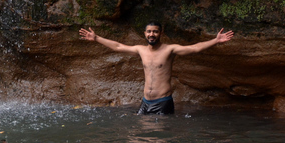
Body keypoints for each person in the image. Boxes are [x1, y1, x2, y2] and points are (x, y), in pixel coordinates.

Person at [79, 22, 234, 115]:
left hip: (163, 101)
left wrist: (215, 41)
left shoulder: (170, 50)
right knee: (141, 133)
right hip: (145, 101)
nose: (151, 34)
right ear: (145, 33)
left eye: (155, 31)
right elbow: (119, 46)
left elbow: (194, 48)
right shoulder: (141, 50)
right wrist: (97, 38)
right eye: (149, 31)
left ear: (160, 33)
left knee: (158, 137)